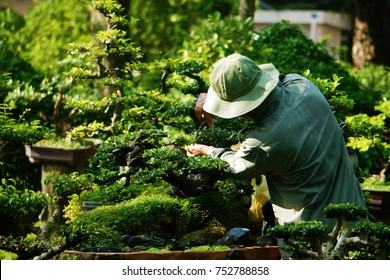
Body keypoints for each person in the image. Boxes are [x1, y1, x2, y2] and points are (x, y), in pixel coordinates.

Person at [186, 54, 365, 241]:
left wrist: (208, 151)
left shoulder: (262, 142)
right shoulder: (303, 85)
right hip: (354, 217)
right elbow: (280, 83)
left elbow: (236, 167)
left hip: (311, 239)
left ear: (241, 109)